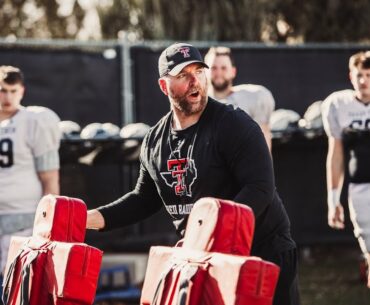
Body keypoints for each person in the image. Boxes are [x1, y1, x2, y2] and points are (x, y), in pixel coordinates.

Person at [87, 42, 300, 305]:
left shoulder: (234, 124)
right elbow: (143, 198)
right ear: (164, 86)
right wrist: (85, 220)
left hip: (261, 251)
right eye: (182, 75)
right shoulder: (155, 140)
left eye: (198, 72)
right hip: (205, 256)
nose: (194, 82)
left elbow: (260, 188)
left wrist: (208, 233)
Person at [0, 66, 61, 272]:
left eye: (13, 90)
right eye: (2, 90)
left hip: (23, 217)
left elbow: (50, 176)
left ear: (22, 91)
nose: (7, 96)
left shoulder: (34, 121)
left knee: (15, 281)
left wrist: (50, 221)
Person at [321, 50, 370, 288]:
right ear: (351, 76)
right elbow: (336, 153)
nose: (364, 81)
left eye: (369, 75)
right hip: (360, 187)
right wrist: (333, 199)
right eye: (359, 75)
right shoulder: (338, 105)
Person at [204, 46, 275, 150]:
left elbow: (263, 144)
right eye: (214, 68)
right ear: (205, 72)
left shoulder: (254, 97)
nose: (218, 73)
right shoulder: (198, 103)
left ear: (233, 71)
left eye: (224, 68)